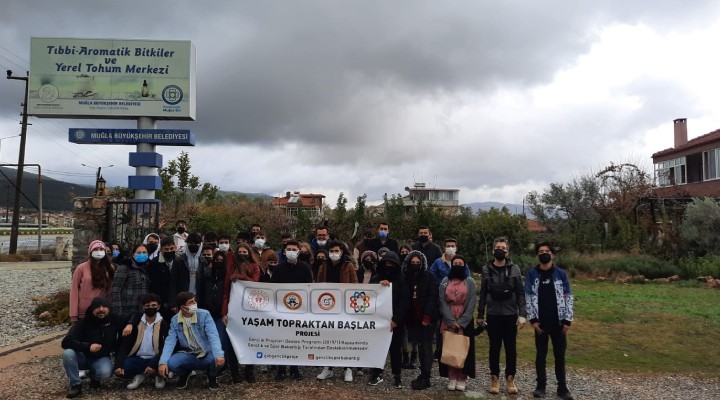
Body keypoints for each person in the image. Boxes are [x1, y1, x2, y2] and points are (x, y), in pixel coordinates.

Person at [477, 237, 526, 395]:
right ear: (493, 250)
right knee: (494, 348)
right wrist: (480, 314)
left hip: (511, 314)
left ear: (507, 251)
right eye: (498, 247)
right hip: (493, 314)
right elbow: (483, 293)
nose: (501, 250)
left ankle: (510, 378)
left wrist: (522, 314)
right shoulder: (486, 269)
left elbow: (520, 293)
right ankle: (494, 378)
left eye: (503, 248)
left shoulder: (515, 269)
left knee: (511, 348)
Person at [525, 242, 575, 400]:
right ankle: (540, 386)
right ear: (537, 255)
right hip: (540, 324)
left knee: (560, 356)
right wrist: (532, 319)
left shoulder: (560, 273)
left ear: (552, 254)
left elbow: (568, 297)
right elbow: (528, 296)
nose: (544, 253)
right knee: (541, 356)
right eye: (541, 251)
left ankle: (562, 388)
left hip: (559, 323)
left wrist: (567, 320)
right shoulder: (532, 274)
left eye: (547, 251)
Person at [158, 292, 225, 391]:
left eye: (194, 300)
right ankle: (185, 373)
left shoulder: (204, 314)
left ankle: (211, 375)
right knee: (171, 363)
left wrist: (219, 354)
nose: (194, 303)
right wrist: (162, 362)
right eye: (191, 302)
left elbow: (213, 335)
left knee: (219, 358)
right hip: (188, 352)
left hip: (206, 352)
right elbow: (170, 341)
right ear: (182, 307)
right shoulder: (174, 320)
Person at [62, 296, 124, 398]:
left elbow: (132, 317)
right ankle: (76, 384)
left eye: (104, 306)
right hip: (82, 356)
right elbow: (66, 342)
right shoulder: (83, 322)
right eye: (97, 307)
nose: (101, 309)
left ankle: (94, 377)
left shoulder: (114, 320)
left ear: (109, 308)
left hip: (100, 357)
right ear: (91, 309)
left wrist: (130, 324)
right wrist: (88, 346)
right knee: (68, 353)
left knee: (105, 373)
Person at [315, 240, 359, 383]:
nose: (334, 254)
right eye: (332, 251)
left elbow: (354, 285)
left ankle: (348, 368)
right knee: (328, 337)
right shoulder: (323, 266)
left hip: (344, 307)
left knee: (345, 337)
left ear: (342, 252)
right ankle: (328, 367)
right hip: (327, 307)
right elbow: (318, 285)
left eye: (337, 251)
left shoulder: (349, 266)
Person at [271, 240, 313, 380]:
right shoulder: (278, 269)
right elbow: (273, 290)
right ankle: (281, 369)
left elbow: (309, 289)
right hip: (282, 310)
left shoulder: (305, 269)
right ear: (284, 252)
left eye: (294, 249)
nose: (291, 251)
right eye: (288, 249)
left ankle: (295, 369)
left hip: (299, 310)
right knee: (282, 340)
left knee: (296, 340)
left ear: (298, 251)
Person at [198, 251, 243, 384]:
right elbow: (200, 294)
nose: (218, 262)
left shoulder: (228, 278)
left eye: (221, 260)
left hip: (223, 315)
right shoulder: (206, 276)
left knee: (224, 344)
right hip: (207, 314)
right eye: (216, 259)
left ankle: (229, 371)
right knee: (208, 344)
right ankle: (211, 370)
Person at [368, 251, 409, 389]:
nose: (389, 266)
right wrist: (379, 286)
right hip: (379, 322)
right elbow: (369, 297)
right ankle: (377, 373)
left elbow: (404, 301)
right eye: (386, 263)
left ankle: (397, 375)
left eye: (392, 264)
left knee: (395, 349)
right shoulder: (375, 278)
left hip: (395, 322)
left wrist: (396, 320)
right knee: (378, 348)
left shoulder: (402, 280)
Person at [221, 242, 260, 383]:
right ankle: (235, 373)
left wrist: (242, 277)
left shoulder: (255, 267)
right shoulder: (230, 268)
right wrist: (224, 312)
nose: (242, 254)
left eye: (245, 252)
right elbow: (226, 292)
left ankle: (249, 371)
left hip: (250, 311)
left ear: (249, 254)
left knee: (250, 341)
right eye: (240, 252)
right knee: (232, 342)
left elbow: (255, 284)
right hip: (233, 310)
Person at [113, 293, 169, 390]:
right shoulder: (135, 324)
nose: (150, 308)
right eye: (147, 306)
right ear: (143, 307)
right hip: (138, 358)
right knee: (122, 368)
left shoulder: (164, 324)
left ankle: (157, 374)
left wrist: (154, 364)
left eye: (153, 306)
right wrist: (118, 365)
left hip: (156, 358)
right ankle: (143, 374)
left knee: (169, 363)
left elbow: (165, 348)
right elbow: (125, 346)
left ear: (158, 307)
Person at [438, 255, 477, 391]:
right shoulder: (445, 281)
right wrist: (450, 320)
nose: (458, 265)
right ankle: (451, 377)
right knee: (449, 347)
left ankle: (462, 377)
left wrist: (461, 322)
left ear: (465, 265)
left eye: (461, 263)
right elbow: (442, 300)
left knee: (462, 348)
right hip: (448, 317)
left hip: (464, 318)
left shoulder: (470, 281)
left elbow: (472, 302)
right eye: (455, 263)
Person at [402, 250, 440, 390]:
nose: (415, 265)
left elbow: (432, 296)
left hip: (428, 317)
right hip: (414, 317)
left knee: (426, 345)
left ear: (422, 263)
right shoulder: (406, 276)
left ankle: (426, 376)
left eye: (418, 263)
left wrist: (427, 315)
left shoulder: (430, 276)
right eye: (413, 262)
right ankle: (422, 373)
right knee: (419, 343)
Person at [70, 240, 115, 323]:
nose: (98, 251)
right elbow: (74, 291)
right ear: (90, 252)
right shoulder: (81, 268)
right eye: (95, 249)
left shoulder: (109, 268)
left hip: (102, 310)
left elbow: (111, 290)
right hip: (84, 311)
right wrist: (73, 314)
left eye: (101, 249)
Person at [111, 244, 150, 322]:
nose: (141, 254)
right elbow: (116, 290)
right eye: (139, 253)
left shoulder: (149, 268)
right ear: (133, 254)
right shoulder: (125, 267)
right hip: (127, 312)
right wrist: (118, 313)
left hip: (143, 312)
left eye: (144, 252)